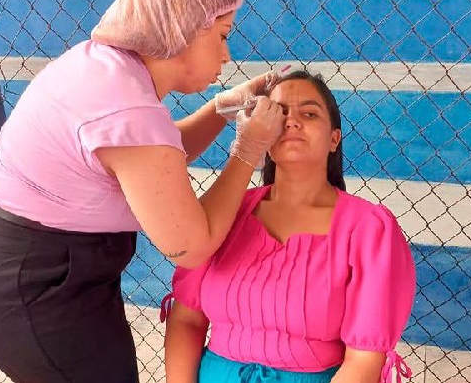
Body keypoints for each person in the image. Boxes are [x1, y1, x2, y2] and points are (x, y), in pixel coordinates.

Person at [0, 0, 286, 383]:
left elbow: (153, 160)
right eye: (221, 34)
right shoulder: (127, 108)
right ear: (183, 27)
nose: (227, 55)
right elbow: (191, 245)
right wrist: (248, 151)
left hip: (18, 259)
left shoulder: (103, 67)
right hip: (35, 289)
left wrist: (222, 108)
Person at [161, 70, 416, 383]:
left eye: (309, 113)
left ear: (334, 138)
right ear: (262, 134)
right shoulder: (228, 211)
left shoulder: (369, 230)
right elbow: (186, 320)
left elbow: (362, 363)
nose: (292, 121)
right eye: (278, 113)